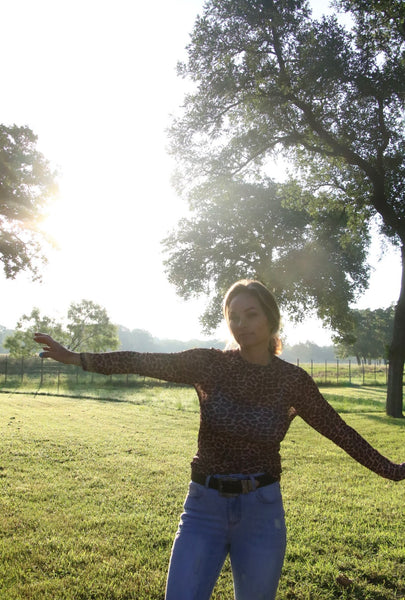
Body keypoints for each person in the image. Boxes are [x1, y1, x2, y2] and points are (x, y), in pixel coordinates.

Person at [34, 279, 405, 600]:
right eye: (234, 316)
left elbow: (339, 431)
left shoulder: (292, 381)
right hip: (203, 508)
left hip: (262, 512)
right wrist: (77, 358)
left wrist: (394, 471)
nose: (241, 324)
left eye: (251, 314)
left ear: (272, 319)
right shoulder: (210, 365)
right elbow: (141, 360)